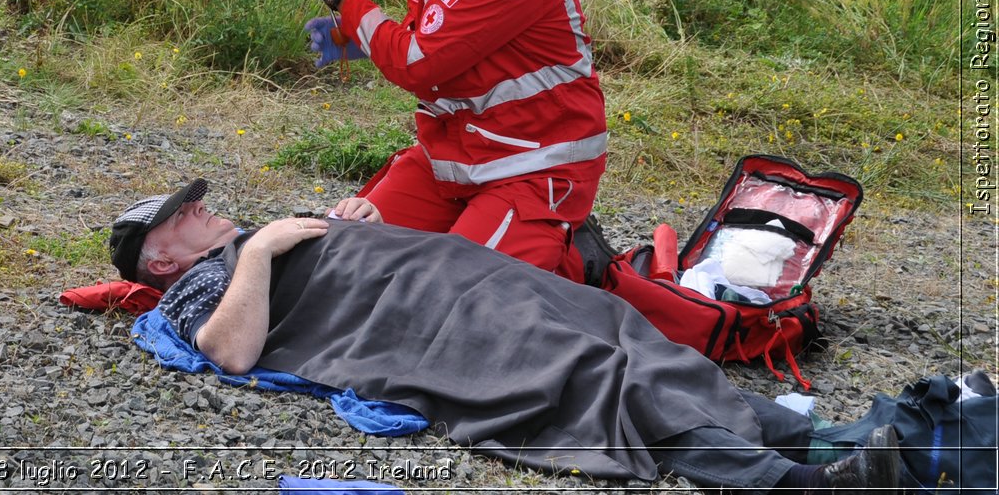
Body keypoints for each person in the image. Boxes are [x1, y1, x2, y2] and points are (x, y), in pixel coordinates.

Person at [111, 180, 904, 494]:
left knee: (615, 324)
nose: (197, 208)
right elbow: (229, 351)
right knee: (582, 367)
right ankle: (784, 479)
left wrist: (352, 225)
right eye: (179, 214)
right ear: (161, 257)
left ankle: (810, 439)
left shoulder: (247, 240)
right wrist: (259, 249)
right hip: (415, 319)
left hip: (445, 272)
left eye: (189, 203)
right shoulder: (197, 284)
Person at [296, 0, 607, 281]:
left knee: (455, 297)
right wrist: (358, 42)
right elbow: (447, 41)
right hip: (455, 157)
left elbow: (418, 61)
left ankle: (571, 261)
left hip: (534, 165)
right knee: (342, 257)